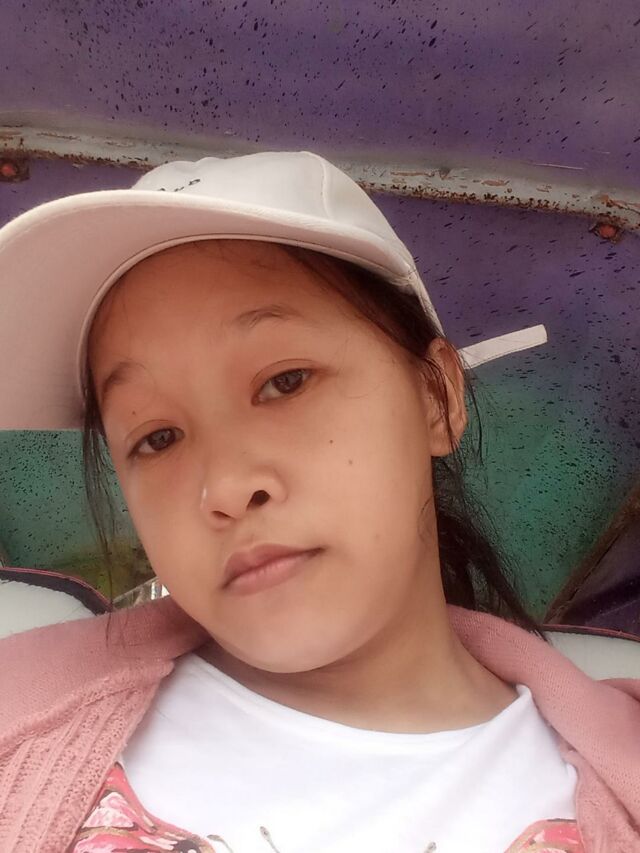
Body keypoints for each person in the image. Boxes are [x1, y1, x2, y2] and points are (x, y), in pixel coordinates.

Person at [0, 152, 638, 853]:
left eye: (286, 382)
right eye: (157, 437)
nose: (225, 488)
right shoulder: (19, 727)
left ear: (437, 397)